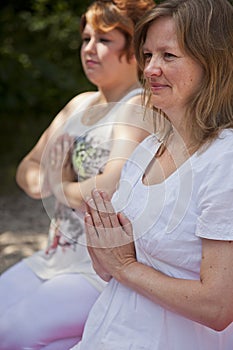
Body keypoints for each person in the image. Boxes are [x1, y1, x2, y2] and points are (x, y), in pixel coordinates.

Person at [70, 0, 233, 349]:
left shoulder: (225, 160)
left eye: (168, 56)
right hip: (108, 332)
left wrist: (126, 266)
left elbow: (219, 307)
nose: (150, 70)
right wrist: (100, 238)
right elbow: (108, 271)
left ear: (213, 63)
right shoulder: (148, 150)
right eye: (147, 56)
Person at [0, 0, 155, 349]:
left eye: (104, 40)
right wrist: (49, 181)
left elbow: (110, 187)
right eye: (85, 39)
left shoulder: (139, 105)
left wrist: (59, 184)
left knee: (14, 332)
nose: (89, 49)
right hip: (54, 256)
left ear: (134, 48)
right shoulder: (79, 104)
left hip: (98, 267)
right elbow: (29, 166)